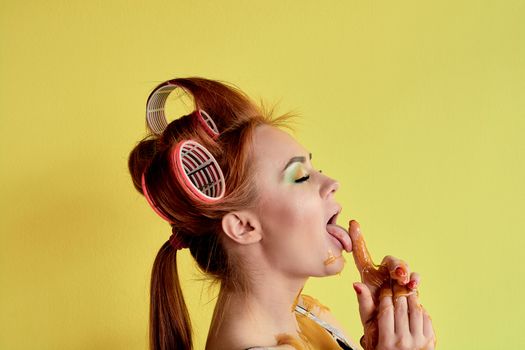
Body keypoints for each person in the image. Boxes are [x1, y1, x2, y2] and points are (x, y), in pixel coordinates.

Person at [128, 77, 436, 350]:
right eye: (300, 176)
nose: (331, 183)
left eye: (315, 168)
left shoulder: (307, 316)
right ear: (244, 227)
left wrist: (385, 333)